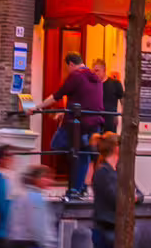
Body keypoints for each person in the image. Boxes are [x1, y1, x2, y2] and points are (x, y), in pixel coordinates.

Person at [41, 53, 106, 197]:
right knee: (83, 154)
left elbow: (57, 95)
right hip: (94, 123)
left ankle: (75, 188)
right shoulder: (96, 79)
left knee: (58, 145)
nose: (67, 71)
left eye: (67, 67)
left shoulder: (76, 76)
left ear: (70, 64)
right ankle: (79, 188)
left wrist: (38, 107)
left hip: (77, 124)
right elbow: (87, 99)